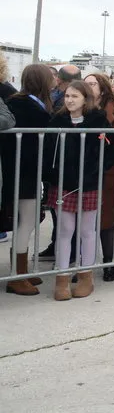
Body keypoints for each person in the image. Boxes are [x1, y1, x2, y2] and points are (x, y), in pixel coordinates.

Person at [42, 81, 114, 300]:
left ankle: (86, 276)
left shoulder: (98, 120)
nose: (70, 100)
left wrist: (95, 172)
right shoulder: (57, 120)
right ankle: (62, 279)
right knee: (65, 230)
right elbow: (47, 151)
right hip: (62, 183)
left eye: (75, 96)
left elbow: (109, 151)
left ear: (86, 98)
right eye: (67, 96)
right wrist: (52, 175)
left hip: (89, 183)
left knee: (87, 231)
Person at [0, 64, 54, 295]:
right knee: (27, 220)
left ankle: (20, 271)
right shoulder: (29, 106)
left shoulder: (17, 101)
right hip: (24, 172)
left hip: (20, 171)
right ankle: (17, 275)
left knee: (27, 220)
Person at [83, 72, 114, 282]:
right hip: (83, 169)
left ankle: (108, 263)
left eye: (93, 84)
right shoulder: (77, 106)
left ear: (102, 88)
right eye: (86, 84)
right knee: (82, 220)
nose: (89, 87)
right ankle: (83, 266)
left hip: (109, 169)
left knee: (107, 220)